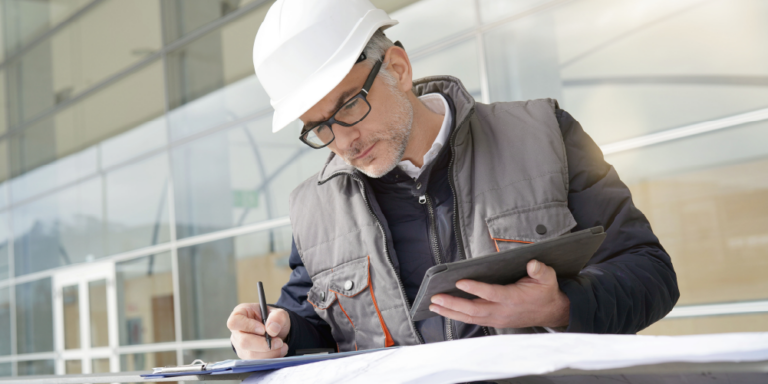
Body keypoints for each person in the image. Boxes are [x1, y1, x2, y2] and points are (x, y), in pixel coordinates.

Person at [227, 0, 679, 359]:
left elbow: (650, 273)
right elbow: (315, 323)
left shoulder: (546, 136)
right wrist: (274, 333)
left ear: (398, 69)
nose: (343, 141)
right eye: (319, 127)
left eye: (349, 106)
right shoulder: (316, 208)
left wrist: (563, 306)